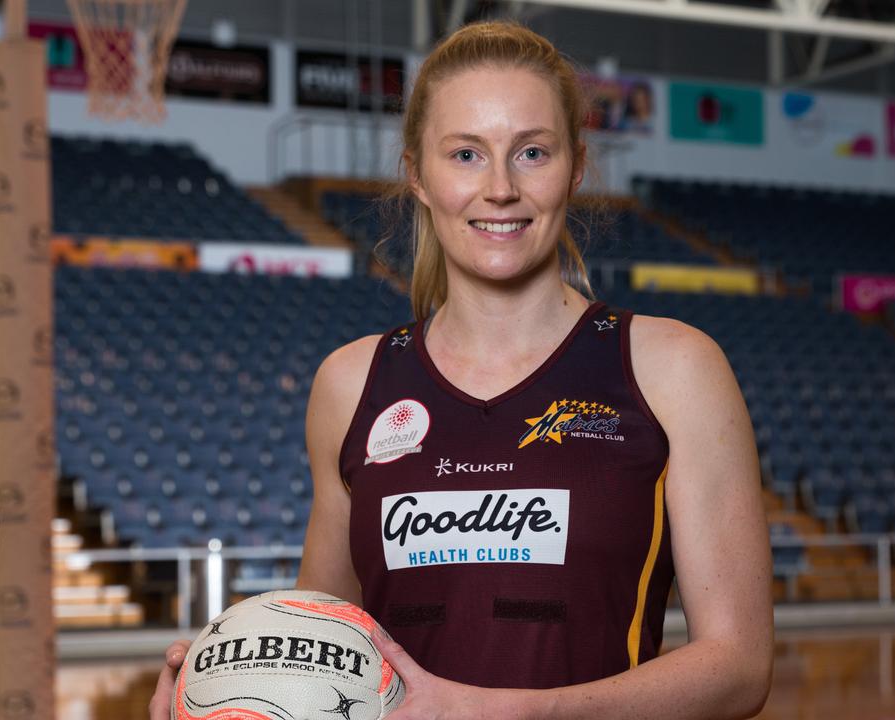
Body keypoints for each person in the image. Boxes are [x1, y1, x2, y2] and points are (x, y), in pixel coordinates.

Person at [149, 20, 772, 719]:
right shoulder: (351, 383)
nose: (500, 188)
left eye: (531, 152)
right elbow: (321, 638)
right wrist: (218, 687)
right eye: (466, 155)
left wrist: (517, 714)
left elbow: (740, 666)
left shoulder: (673, 367)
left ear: (576, 166)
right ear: (418, 172)